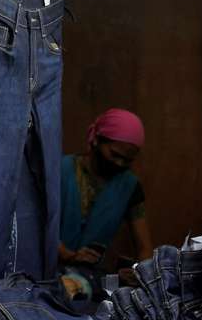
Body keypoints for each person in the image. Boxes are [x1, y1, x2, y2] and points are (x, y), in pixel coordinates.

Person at [58, 109, 154, 271]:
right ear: (96, 139)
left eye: (127, 160)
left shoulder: (129, 187)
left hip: (92, 279)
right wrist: (68, 255)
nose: (120, 164)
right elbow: (36, 229)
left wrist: (141, 273)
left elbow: (144, 248)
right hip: (48, 273)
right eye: (115, 154)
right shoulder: (60, 171)